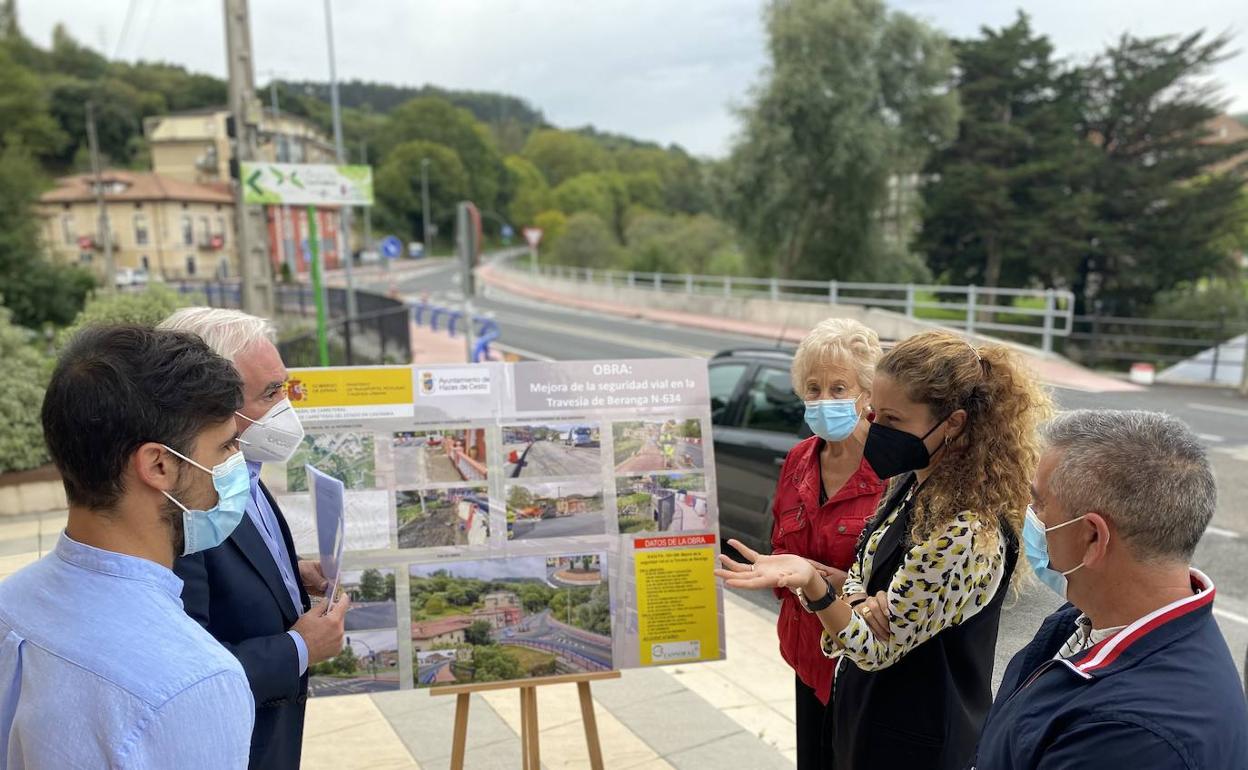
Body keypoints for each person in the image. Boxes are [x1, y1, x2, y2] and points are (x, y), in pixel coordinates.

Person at [717, 329, 1051, 770]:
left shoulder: (966, 529)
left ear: (953, 423)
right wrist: (858, 598)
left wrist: (814, 584)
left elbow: (874, 648)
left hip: (917, 740)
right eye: (874, 413)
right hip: (870, 718)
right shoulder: (913, 480)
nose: (875, 429)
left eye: (892, 420)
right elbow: (860, 570)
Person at [0, 325, 254, 767]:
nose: (237, 463)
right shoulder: (193, 681)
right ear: (158, 465)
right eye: (226, 446)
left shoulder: (10, 603)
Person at [972, 410, 1248, 768]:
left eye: (1039, 503)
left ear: (1092, 537)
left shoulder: (1133, 736)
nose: (1029, 514)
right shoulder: (1085, 618)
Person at [160, 307, 351, 770]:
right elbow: (184, 676)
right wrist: (299, 648)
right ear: (206, 402)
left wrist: (290, 570)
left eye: (284, 386)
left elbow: (248, 555)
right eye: (271, 393)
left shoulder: (242, 467)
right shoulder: (182, 508)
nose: (286, 407)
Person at [769, 318, 886, 769]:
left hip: (863, 663)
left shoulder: (892, 467)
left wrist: (835, 584)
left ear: (867, 392)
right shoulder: (800, 458)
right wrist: (780, 570)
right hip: (807, 655)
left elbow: (903, 584)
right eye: (813, 388)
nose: (824, 401)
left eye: (839, 388)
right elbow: (780, 540)